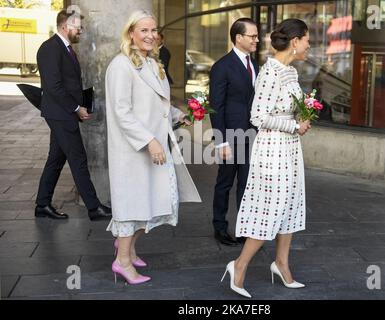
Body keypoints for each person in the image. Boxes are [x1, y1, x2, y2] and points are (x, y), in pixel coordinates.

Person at [105, 10, 201, 285]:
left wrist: (178, 114)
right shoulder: (120, 66)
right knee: (134, 205)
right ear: (131, 33)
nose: (150, 36)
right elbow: (122, 112)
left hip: (155, 147)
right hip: (135, 151)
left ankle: (128, 249)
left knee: (157, 204)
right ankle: (122, 261)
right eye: (143, 30)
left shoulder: (151, 62)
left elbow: (154, 103)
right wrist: (150, 141)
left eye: (153, 30)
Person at [220, 19, 311, 298]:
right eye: (307, 39)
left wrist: (303, 117)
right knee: (269, 210)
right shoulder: (270, 72)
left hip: (291, 149)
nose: (309, 45)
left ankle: (281, 263)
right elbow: (257, 116)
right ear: (295, 42)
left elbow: (289, 109)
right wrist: (293, 126)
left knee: (291, 207)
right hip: (272, 150)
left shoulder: (291, 72)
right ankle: (239, 265)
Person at [35, 9, 111, 221]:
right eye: (78, 28)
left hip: (63, 113)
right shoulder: (50, 48)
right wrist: (76, 108)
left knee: (56, 159)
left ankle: (42, 204)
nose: (81, 31)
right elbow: (54, 86)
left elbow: (68, 83)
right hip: (60, 114)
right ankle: (94, 208)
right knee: (78, 159)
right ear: (64, 26)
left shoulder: (65, 48)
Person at [209, 18, 259, 246]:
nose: (256, 39)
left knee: (247, 183)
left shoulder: (255, 64)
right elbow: (216, 107)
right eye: (252, 36)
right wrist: (221, 142)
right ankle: (219, 227)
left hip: (252, 136)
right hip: (230, 136)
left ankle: (243, 227)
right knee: (225, 182)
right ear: (238, 37)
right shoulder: (222, 66)